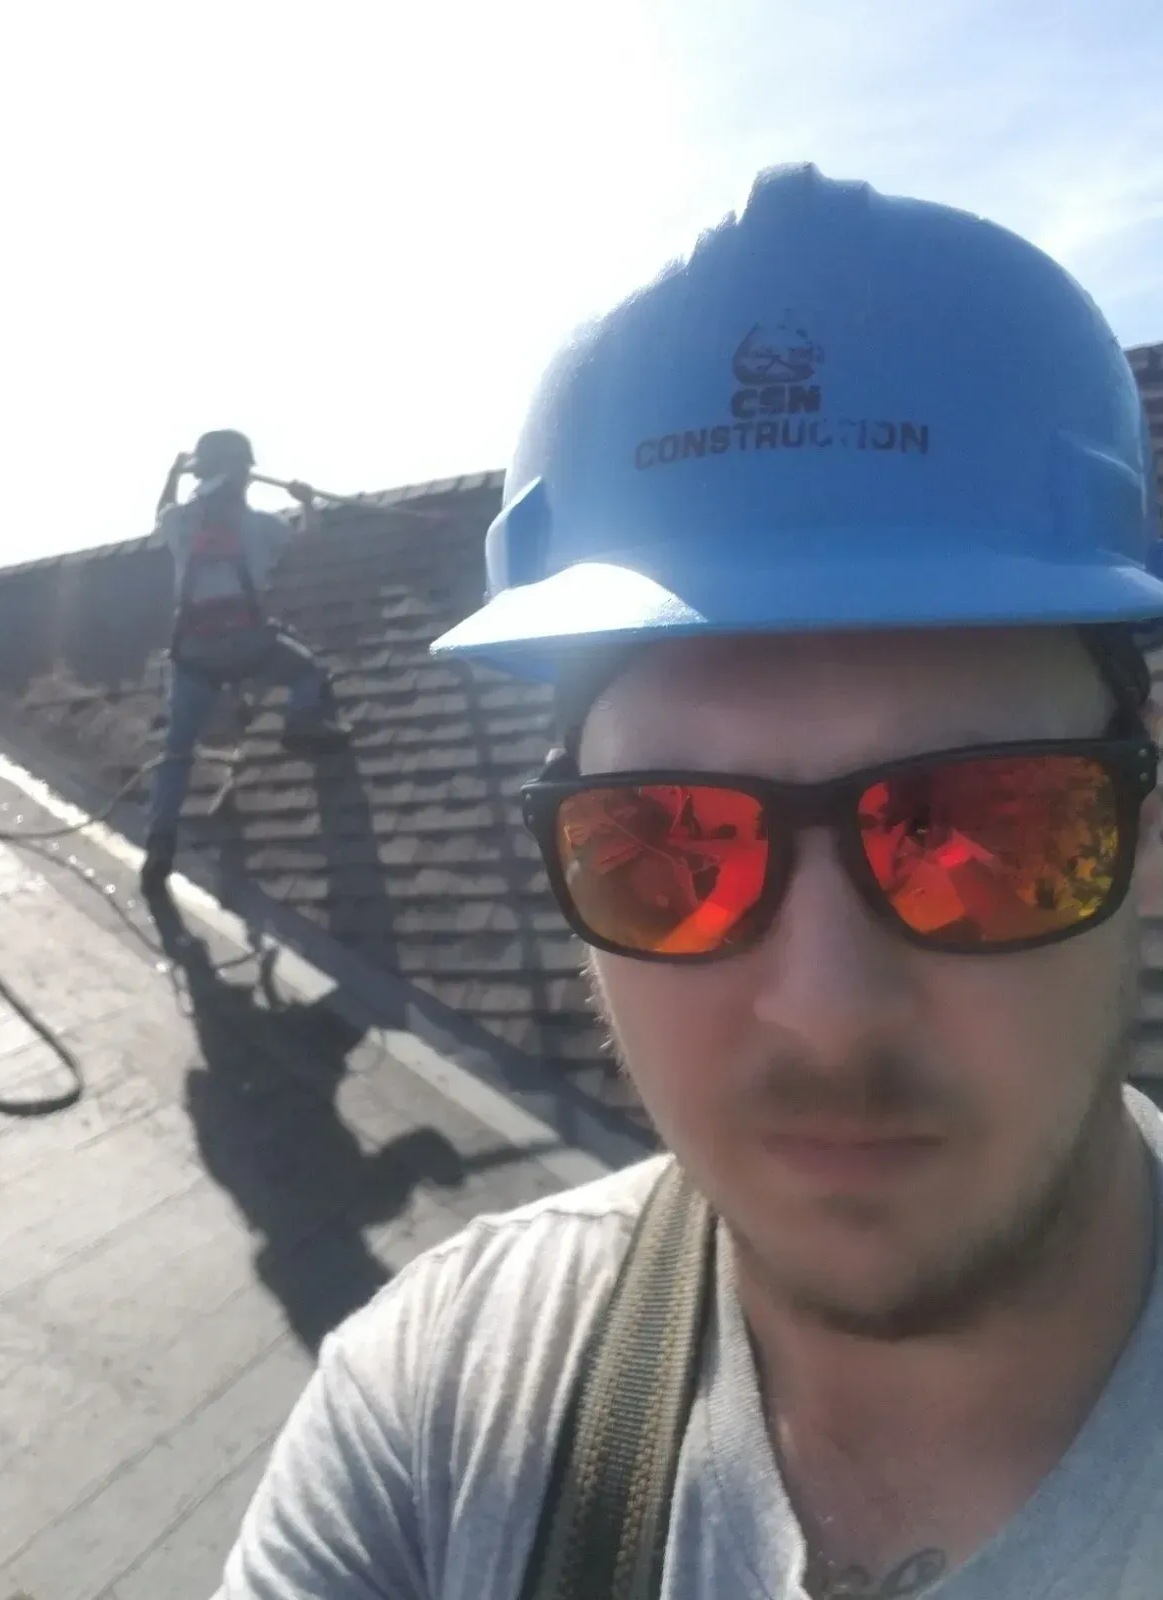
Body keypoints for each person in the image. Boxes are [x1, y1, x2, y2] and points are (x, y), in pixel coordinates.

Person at [212, 166, 1163, 1598]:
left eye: (991, 829)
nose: (827, 1013)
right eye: (670, 849)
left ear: (1147, 835)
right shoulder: (433, 1409)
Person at [142, 428, 348, 891]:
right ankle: (301, 721)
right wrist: (308, 501)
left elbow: (160, 513)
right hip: (248, 645)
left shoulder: (180, 522)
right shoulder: (260, 526)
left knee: (176, 752)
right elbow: (309, 542)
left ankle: (160, 840)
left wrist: (172, 475)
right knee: (308, 672)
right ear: (243, 477)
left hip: (193, 652)